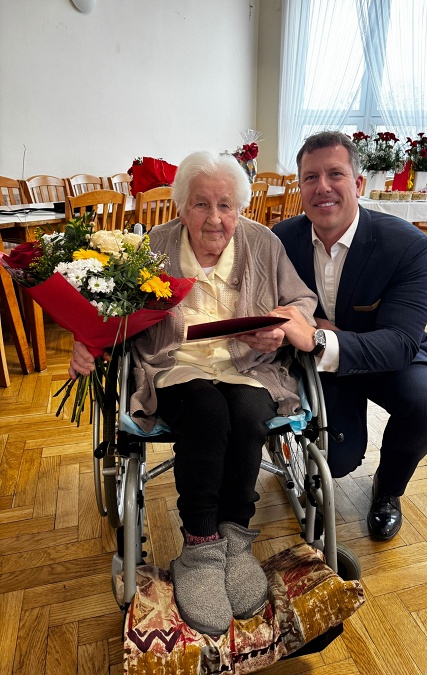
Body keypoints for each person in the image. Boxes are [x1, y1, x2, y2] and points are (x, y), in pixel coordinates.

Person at [69, 151, 317, 636]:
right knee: (206, 411)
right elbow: (110, 305)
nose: (215, 218)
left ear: (240, 208)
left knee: (246, 413)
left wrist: (281, 328)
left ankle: (235, 540)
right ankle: (201, 548)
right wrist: (87, 338)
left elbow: (301, 300)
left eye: (226, 205)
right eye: (201, 204)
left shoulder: (263, 242)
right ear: (181, 207)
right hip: (174, 365)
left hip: (248, 366)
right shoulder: (153, 246)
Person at [270, 130, 427, 541]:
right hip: (317, 362)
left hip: (389, 357)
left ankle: (389, 488)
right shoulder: (280, 240)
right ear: (299, 187)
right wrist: (314, 334)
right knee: (337, 460)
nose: (322, 187)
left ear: (358, 183)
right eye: (310, 177)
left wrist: (322, 336)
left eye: (335, 174)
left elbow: (400, 341)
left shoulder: (406, 245)